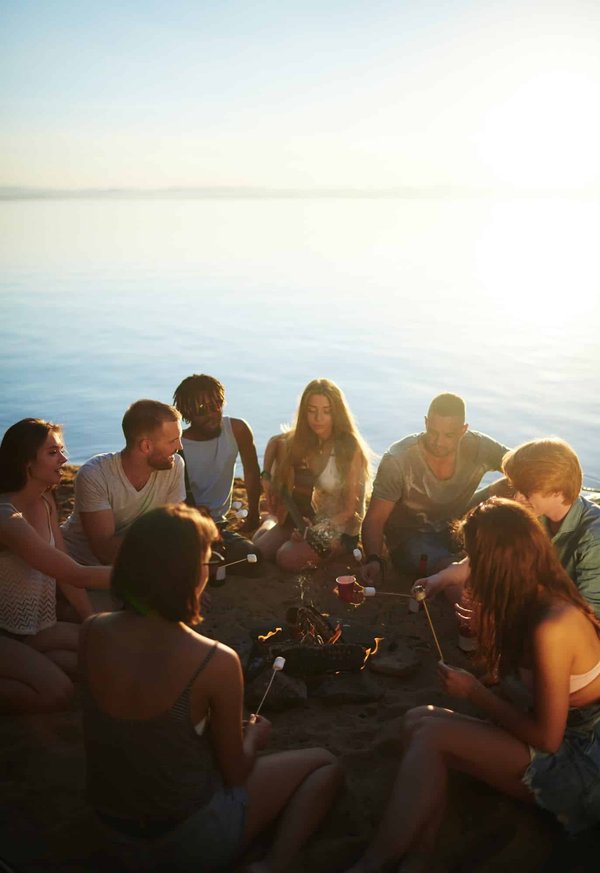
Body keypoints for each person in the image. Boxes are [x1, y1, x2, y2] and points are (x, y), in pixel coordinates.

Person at [80, 504, 341, 872]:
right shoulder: (214, 660)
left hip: (108, 833)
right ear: (189, 575)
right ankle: (274, 865)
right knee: (324, 764)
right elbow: (235, 773)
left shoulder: (92, 631)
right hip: (182, 840)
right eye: (206, 562)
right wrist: (253, 737)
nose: (209, 570)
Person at [345, 498, 600, 873]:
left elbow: (547, 738)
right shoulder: (526, 599)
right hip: (559, 738)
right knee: (419, 720)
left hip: (582, 763)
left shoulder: (554, 623)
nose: (469, 565)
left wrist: (474, 693)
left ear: (497, 562)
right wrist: (485, 631)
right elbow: (514, 688)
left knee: (432, 737)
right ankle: (417, 857)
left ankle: (374, 862)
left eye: (474, 557)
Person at [0, 419, 110, 713]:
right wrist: (145, 575)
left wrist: (91, 620)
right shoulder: (6, 518)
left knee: (101, 654)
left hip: (32, 628)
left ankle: (32, 662)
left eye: (61, 451)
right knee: (58, 693)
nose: (64, 460)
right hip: (4, 633)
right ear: (27, 463)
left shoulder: (44, 499)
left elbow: (66, 570)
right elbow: (75, 573)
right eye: (52, 453)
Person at [420, 438, 600, 617]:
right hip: (541, 602)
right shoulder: (532, 512)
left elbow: (590, 617)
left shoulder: (593, 540)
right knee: (458, 586)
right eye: (516, 488)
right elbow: (490, 557)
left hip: (569, 624)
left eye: (527, 493)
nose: (517, 497)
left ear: (557, 492)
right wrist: (439, 580)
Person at [361, 392, 509, 584]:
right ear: (425, 423)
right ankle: (468, 595)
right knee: (450, 569)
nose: (439, 442)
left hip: (454, 520)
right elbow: (374, 519)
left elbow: (521, 463)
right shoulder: (398, 459)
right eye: (433, 432)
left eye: (449, 435)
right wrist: (373, 558)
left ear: (463, 430)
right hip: (411, 536)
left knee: (510, 484)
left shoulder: (479, 446)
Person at [253, 378, 371, 572]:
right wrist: (266, 475)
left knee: (286, 558)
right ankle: (272, 520)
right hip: (304, 520)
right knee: (259, 552)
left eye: (326, 411)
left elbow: (350, 511)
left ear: (337, 412)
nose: (318, 418)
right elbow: (275, 442)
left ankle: (273, 522)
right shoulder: (304, 439)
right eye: (311, 410)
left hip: (339, 527)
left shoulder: (349, 448)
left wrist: (317, 529)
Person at [62, 399, 185, 566]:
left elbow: (172, 528)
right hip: (79, 568)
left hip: (133, 568)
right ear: (146, 446)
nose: (180, 446)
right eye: (173, 441)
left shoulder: (175, 465)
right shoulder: (95, 475)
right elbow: (104, 552)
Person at [173, 374, 261, 572]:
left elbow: (252, 473)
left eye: (217, 404)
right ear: (187, 412)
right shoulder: (177, 446)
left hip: (219, 526)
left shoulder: (237, 430)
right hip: (187, 526)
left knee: (253, 560)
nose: (213, 413)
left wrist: (254, 514)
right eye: (202, 410)